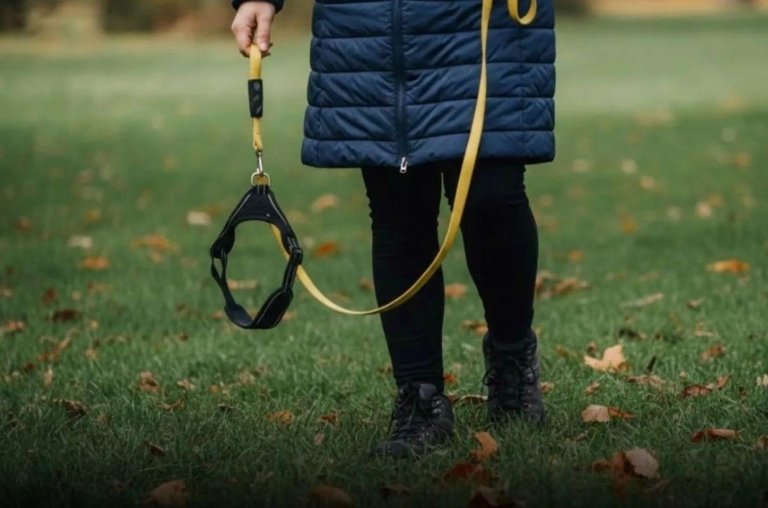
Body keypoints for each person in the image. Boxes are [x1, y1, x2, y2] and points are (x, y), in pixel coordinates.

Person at [229, 0, 555, 458]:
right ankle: (419, 396)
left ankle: (512, 357)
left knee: (493, 196)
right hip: (370, 30)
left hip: (483, 26)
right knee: (398, 209)